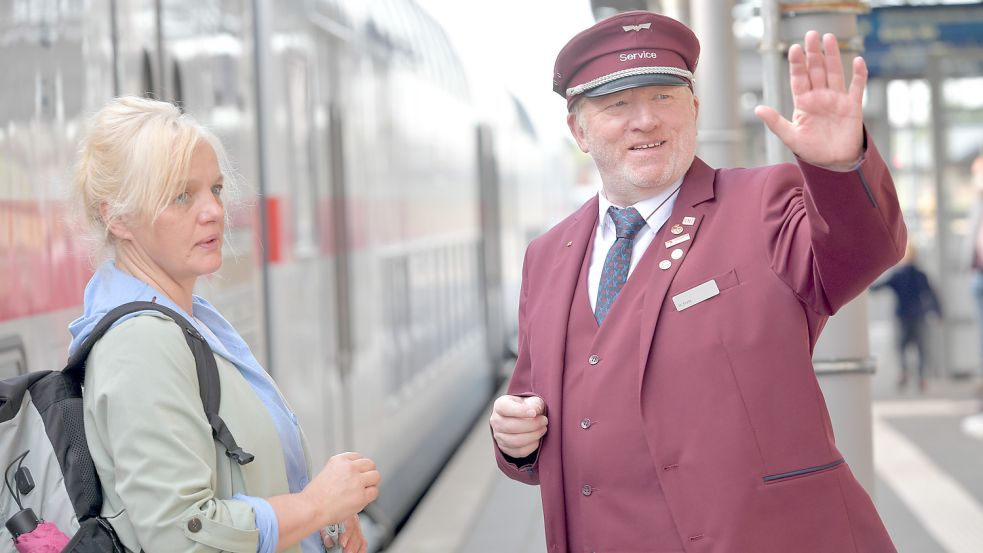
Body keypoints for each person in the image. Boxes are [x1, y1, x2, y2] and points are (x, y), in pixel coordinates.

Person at [489, 11, 903, 553]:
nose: (646, 121)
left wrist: (838, 169)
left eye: (664, 97)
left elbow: (865, 251)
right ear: (578, 130)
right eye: (618, 105)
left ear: (695, 108)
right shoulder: (546, 257)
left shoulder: (766, 203)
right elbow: (533, 407)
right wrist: (515, 441)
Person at [68, 96, 380, 553]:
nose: (213, 210)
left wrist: (323, 519)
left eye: (214, 188)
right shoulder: (141, 344)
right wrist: (315, 505)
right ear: (117, 217)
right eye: (180, 196)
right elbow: (181, 535)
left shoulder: (190, 320)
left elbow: (237, 485)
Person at [871, 243, 941, 392]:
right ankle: (921, 378)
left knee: (901, 347)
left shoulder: (897, 274)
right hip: (918, 315)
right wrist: (938, 311)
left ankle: (904, 372)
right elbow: (931, 294)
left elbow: (879, 287)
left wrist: (866, 283)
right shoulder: (920, 274)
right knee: (921, 348)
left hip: (902, 316)